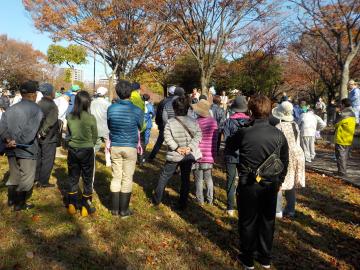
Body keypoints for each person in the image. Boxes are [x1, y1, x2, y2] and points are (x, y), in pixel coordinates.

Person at [234, 95, 289, 269]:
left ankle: (248, 257)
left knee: (248, 220)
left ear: (250, 110)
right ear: (269, 110)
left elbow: (229, 148)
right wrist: (279, 180)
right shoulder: (279, 134)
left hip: (248, 183)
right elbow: (284, 161)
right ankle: (264, 257)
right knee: (267, 220)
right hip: (270, 183)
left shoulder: (244, 132)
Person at [0, 81, 43, 211]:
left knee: (14, 174)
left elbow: (2, 127)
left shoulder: (11, 108)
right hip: (27, 149)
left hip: (11, 147)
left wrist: (8, 139)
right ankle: (20, 203)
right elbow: (30, 132)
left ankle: (11, 200)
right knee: (27, 176)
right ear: (33, 94)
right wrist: (16, 141)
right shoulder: (36, 109)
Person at [152, 96, 202, 210]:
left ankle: (157, 199)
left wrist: (177, 148)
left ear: (174, 109)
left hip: (175, 155)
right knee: (185, 179)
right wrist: (189, 148)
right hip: (187, 155)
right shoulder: (193, 122)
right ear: (188, 108)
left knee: (164, 176)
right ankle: (182, 204)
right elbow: (199, 135)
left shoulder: (170, 122)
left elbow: (167, 137)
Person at [107, 80, 144, 218]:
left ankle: (114, 210)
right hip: (130, 147)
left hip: (115, 145)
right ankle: (124, 210)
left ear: (117, 92)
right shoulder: (137, 110)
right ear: (131, 92)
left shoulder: (111, 108)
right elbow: (141, 127)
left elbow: (110, 126)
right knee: (127, 178)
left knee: (116, 176)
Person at [66, 91, 98, 217]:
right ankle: (85, 207)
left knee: (73, 177)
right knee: (87, 178)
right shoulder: (91, 118)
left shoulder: (69, 116)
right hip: (87, 150)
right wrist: (89, 143)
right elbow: (95, 136)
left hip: (73, 149)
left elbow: (68, 134)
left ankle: (72, 205)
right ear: (88, 102)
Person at [272, 101, 305, 218]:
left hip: (285, 155)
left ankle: (278, 211)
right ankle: (291, 210)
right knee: (291, 184)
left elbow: (277, 145)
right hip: (297, 154)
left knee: (279, 183)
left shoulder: (278, 127)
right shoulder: (295, 125)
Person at [223, 96, 251, 217]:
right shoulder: (250, 122)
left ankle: (230, 207)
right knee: (244, 181)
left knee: (230, 181)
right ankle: (243, 205)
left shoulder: (228, 122)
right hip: (245, 156)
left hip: (230, 155)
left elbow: (226, 140)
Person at [191, 99, 218, 205]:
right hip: (209, 155)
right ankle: (210, 200)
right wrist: (214, 155)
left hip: (198, 155)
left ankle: (200, 199)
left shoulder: (196, 122)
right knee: (208, 178)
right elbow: (215, 141)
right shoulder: (214, 122)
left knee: (198, 179)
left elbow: (193, 139)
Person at [35, 83, 59, 188]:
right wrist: (42, 133)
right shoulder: (52, 105)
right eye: (53, 90)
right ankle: (43, 182)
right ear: (50, 92)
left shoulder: (39, 103)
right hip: (48, 137)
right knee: (48, 160)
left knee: (38, 158)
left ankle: (35, 178)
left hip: (37, 136)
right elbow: (50, 121)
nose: (55, 93)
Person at [148, 86, 176, 160]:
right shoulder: (176, 101)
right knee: (174, 143)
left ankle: (151, 157)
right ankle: (174, 160)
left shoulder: (163, 101)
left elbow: (158, 113)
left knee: (159, 142)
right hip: (174, 125)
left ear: (168, 93)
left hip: (163, 125)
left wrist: (158, 123)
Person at [334, 98, 356, 176]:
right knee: (345, 156)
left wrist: (337, 113)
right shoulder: (353, 113)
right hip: (348, 138)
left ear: (343, 104)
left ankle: (342, 172)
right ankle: (342, 170)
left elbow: (336, 124)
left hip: (341, 138)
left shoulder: (343, 114)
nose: (340, 106)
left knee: (340, 156)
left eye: (341, 104)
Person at [90, 86, 111, 167]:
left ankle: (91, 159)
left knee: (94, 144)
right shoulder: (108, 104)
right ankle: (108, 161)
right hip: (106, 128)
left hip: (94, 127)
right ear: (105, 94)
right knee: (108, 144)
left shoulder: (92, 102)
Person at [142, 94, 155, 160]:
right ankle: (143, 154)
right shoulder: (150, 106)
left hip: (140, 124)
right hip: (147, 124)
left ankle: (140, 153)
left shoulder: (139, 104)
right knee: (146, 138)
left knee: (139, 138)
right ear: (148, 99)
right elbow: (153, 114)